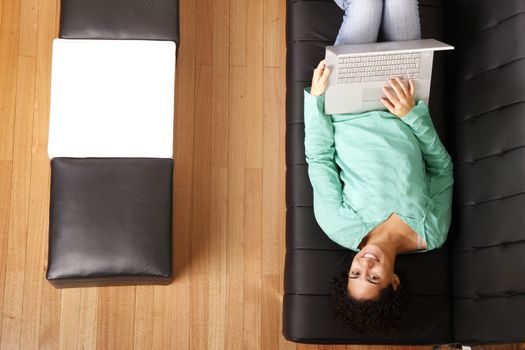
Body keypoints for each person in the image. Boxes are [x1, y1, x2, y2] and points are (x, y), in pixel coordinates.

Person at [304, 0, 454, 334]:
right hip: (403, 96)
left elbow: (320, 158)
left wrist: (316, 99)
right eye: (374, 278)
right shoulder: (432, 232)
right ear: (395, 281)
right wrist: (412, 114)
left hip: (348, 105)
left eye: (355, 274)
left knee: (368, 2)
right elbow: (441, 169)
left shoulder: (337, 226)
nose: (364, 265)